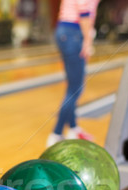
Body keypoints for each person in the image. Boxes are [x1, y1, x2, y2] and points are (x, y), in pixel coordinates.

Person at [47, 0, 100, 147]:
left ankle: (73, 129)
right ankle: (56, 134)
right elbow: (84, 12)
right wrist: (88, 41)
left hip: (65, 31)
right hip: (74, 33)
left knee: (72, 86)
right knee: (75, 88)